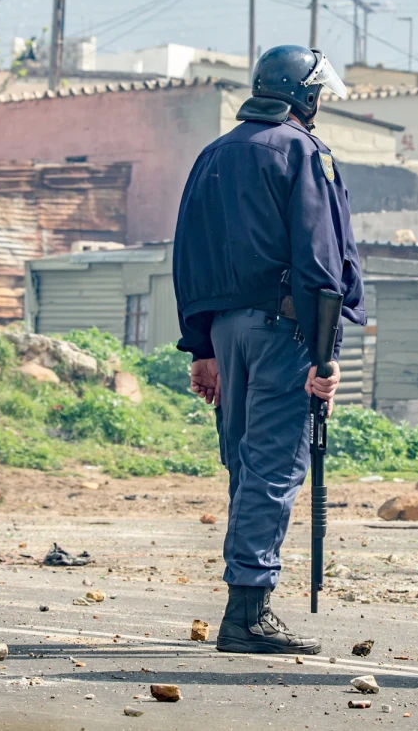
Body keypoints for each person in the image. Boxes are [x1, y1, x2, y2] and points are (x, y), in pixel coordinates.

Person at [173, 44, 365, 655]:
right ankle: (248, 611)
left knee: (244, 463)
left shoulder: (213, 154)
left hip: (226, 333)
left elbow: (188, 258)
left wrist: (201, 345)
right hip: (284, 332)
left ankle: (246, 599)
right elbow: (321, 259)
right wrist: (325, 357)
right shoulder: (304, 152)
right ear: (303, 96)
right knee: (275, 465)